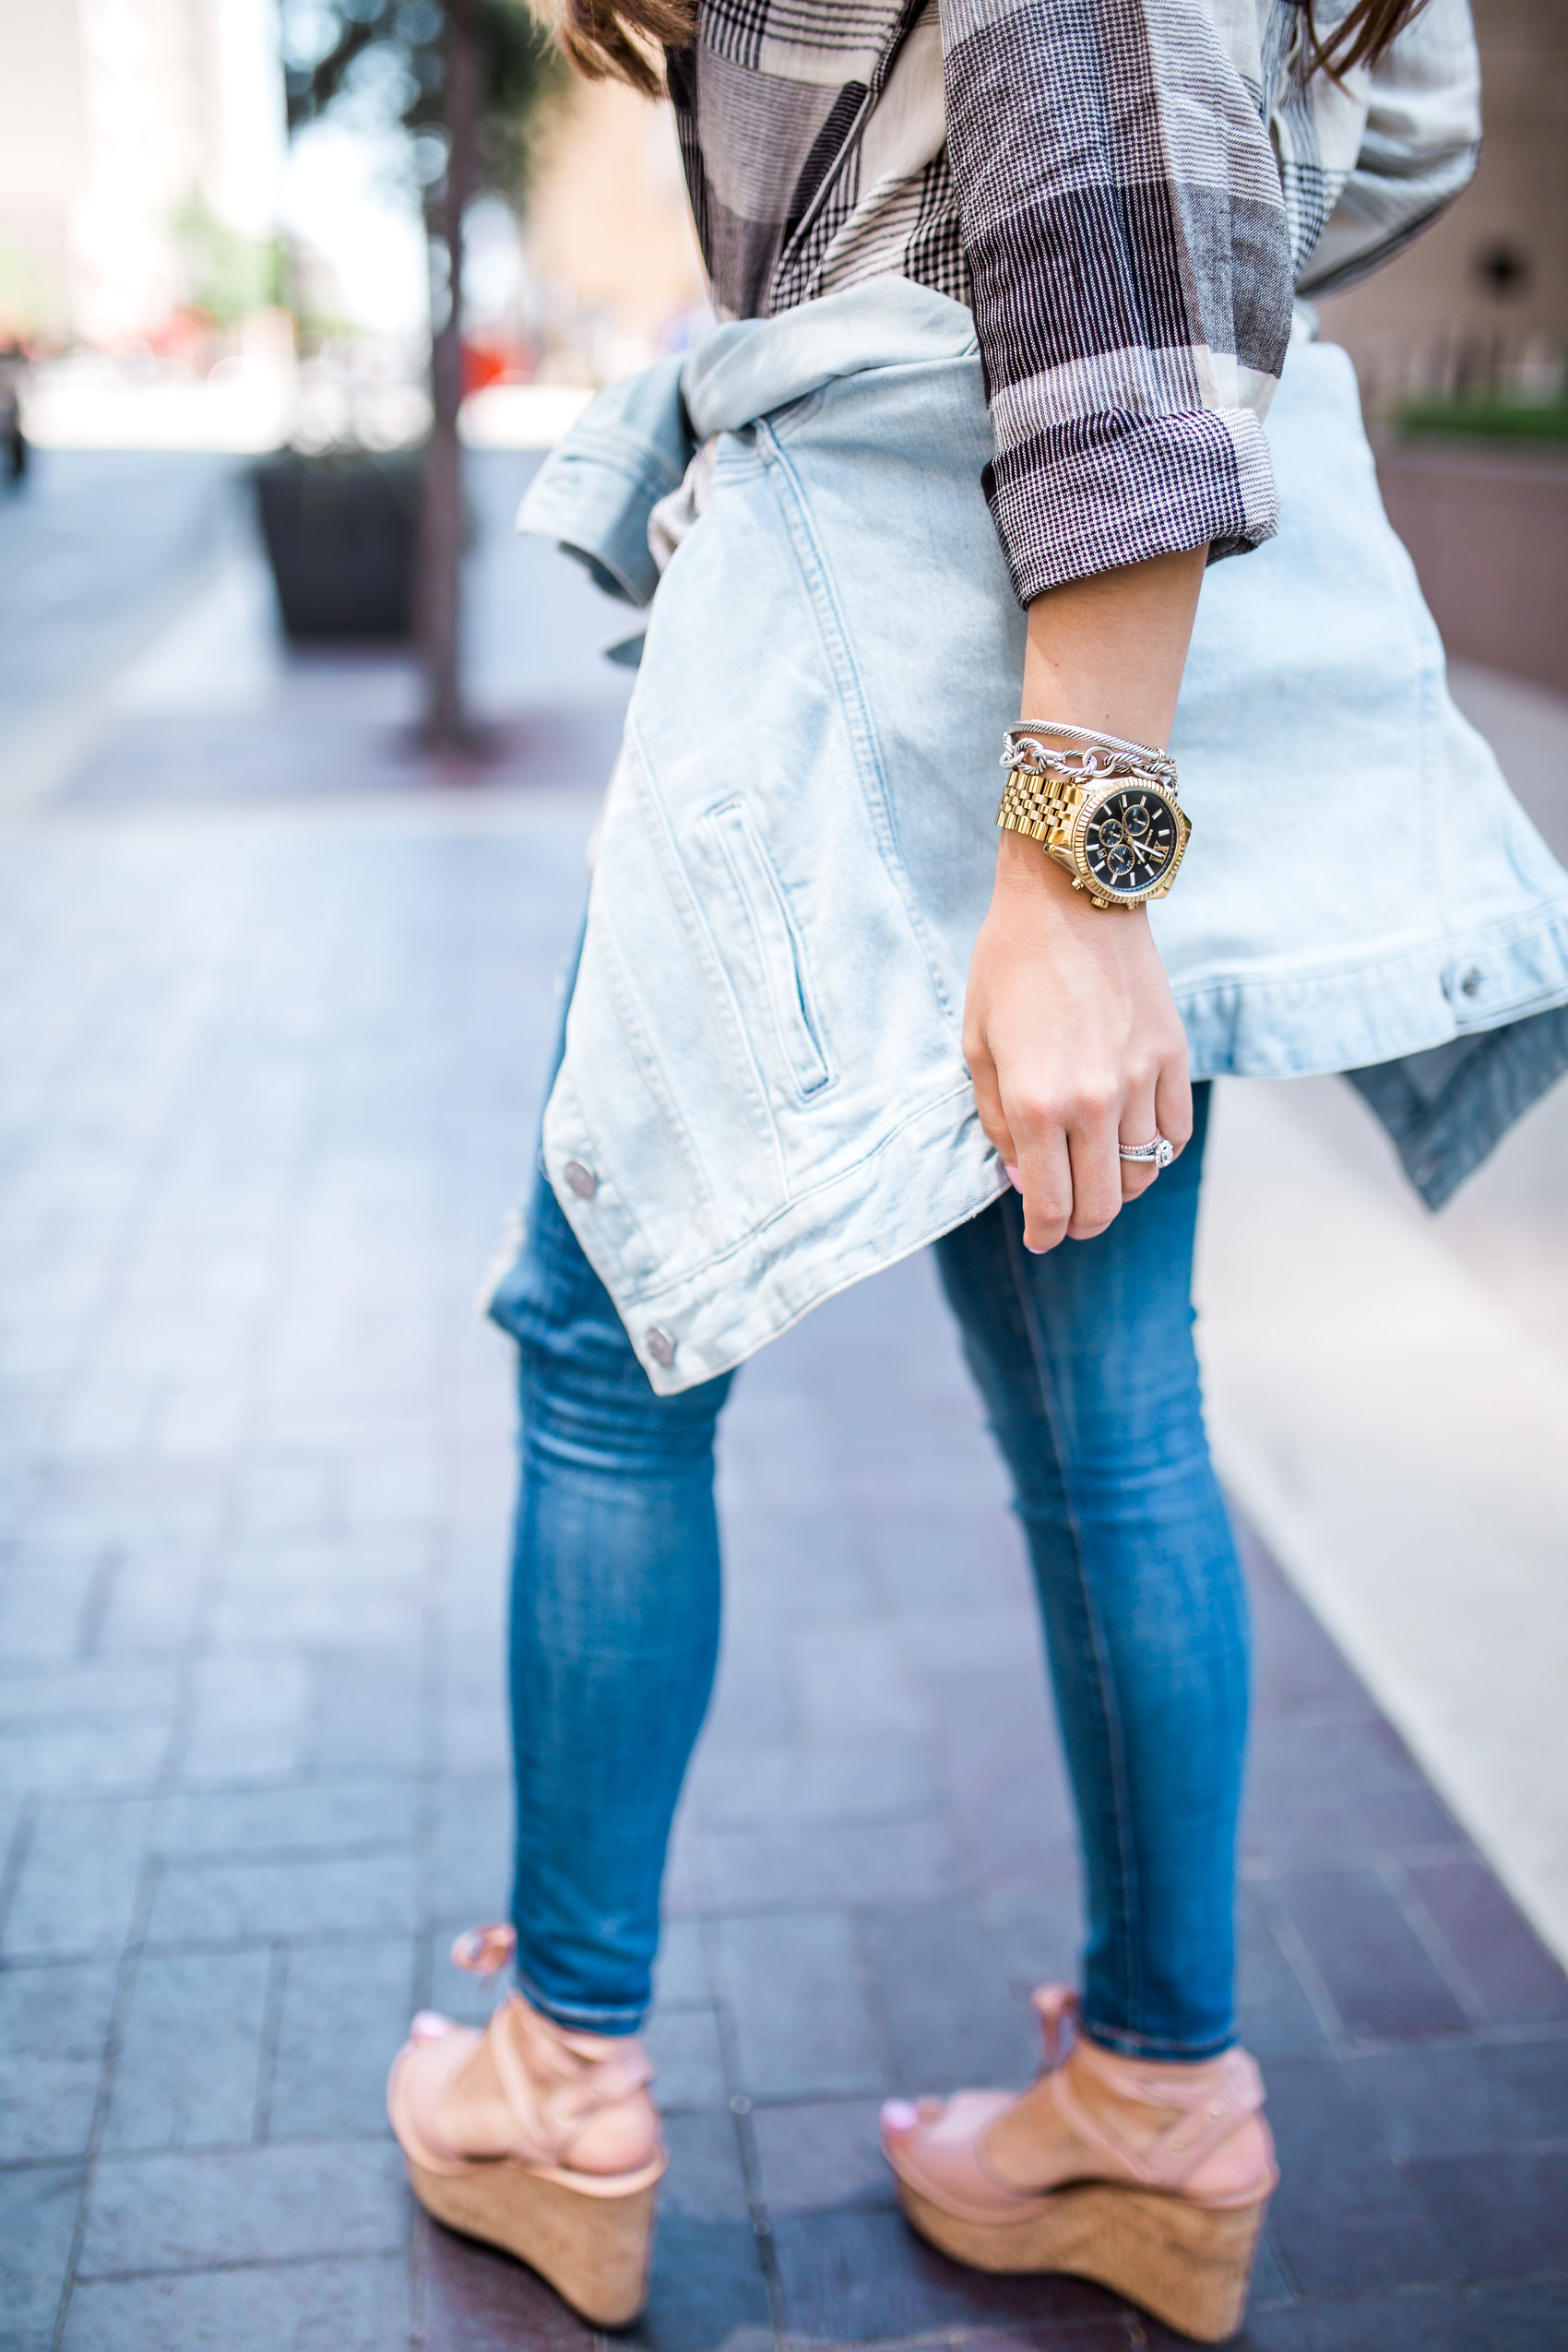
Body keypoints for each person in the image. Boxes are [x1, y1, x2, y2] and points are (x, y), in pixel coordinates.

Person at [386, 0, 1568, 2339]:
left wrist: (1081, 883)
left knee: (608, 1352)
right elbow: (1393, 129)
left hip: (902, 663)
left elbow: (1126, 279)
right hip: (1061, 662)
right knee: (1107, 1432)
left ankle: (563, 2072)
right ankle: (1146, 2099)